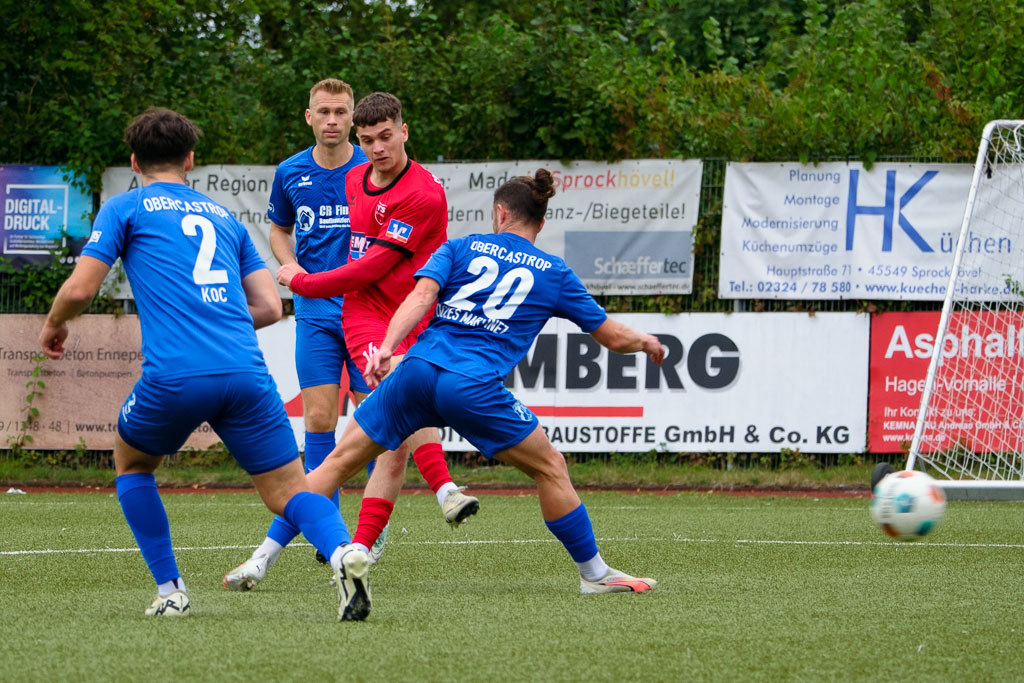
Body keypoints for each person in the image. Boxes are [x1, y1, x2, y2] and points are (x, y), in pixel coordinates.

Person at [37, 107, 371, 621]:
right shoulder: (225, 217)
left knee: (132, 464)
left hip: (175, 376)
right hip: (246, 374)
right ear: (190, 160)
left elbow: (82, 287)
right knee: (289, 491)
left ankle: (171, 590)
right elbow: (267, 306)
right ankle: (344, 551)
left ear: (134, 160)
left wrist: (55, 323)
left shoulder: (126, 207)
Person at [297, 168, 663, 595]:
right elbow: (613, 337)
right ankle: (595, 575)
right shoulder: (554, 272)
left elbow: (420, 297)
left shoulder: (461, 247)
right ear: (541, 223)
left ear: (499, 213)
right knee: (551, 467)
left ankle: (274, 549)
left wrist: (386, 347)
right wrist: (646, 342)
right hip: (471, 386)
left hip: (414, 369)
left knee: (337, 464)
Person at [224, 91, 478, 590]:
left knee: (388, 424)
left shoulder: (400, 182)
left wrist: (300, 281)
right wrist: (290, 265)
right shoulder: (301, 172)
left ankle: (376, 527)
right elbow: (280, 228)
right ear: (310, 118)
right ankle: (335, 535)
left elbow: (371, 263)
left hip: (380, 311)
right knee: (325, 419)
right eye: (327, 112)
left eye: (345, 113)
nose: (336, 121)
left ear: (401, 131)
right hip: (328, 312)